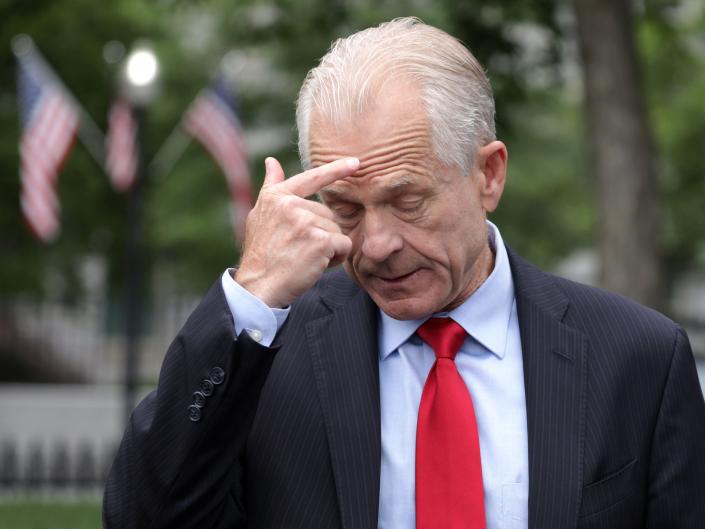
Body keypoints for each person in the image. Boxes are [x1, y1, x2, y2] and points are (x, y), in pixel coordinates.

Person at [103, 17, 705, 529]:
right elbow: (145, 515)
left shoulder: (638, 358)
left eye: (407, 201)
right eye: (346, 208)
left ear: (488, 174)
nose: (378, 244)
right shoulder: (264, 355)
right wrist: (253, 294)